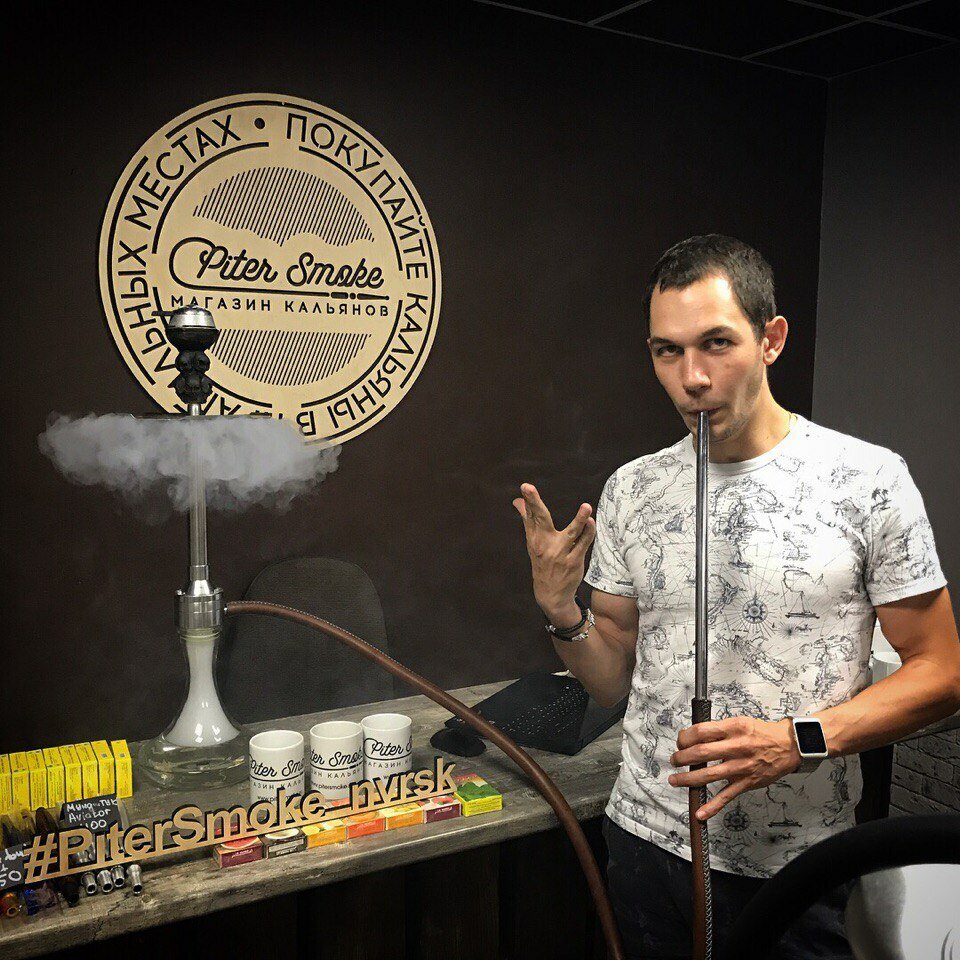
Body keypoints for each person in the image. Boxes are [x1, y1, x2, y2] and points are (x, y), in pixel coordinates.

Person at [512, 234, 960, 959]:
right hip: (646, 843)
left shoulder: (868, 480)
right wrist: (562, 609)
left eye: (717, 343)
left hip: (800, 863)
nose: (692, 377)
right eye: (668, 351)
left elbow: (942, 674)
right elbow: (612, 678)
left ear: (771, 339)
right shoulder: (632, 489)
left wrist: (797, 739)